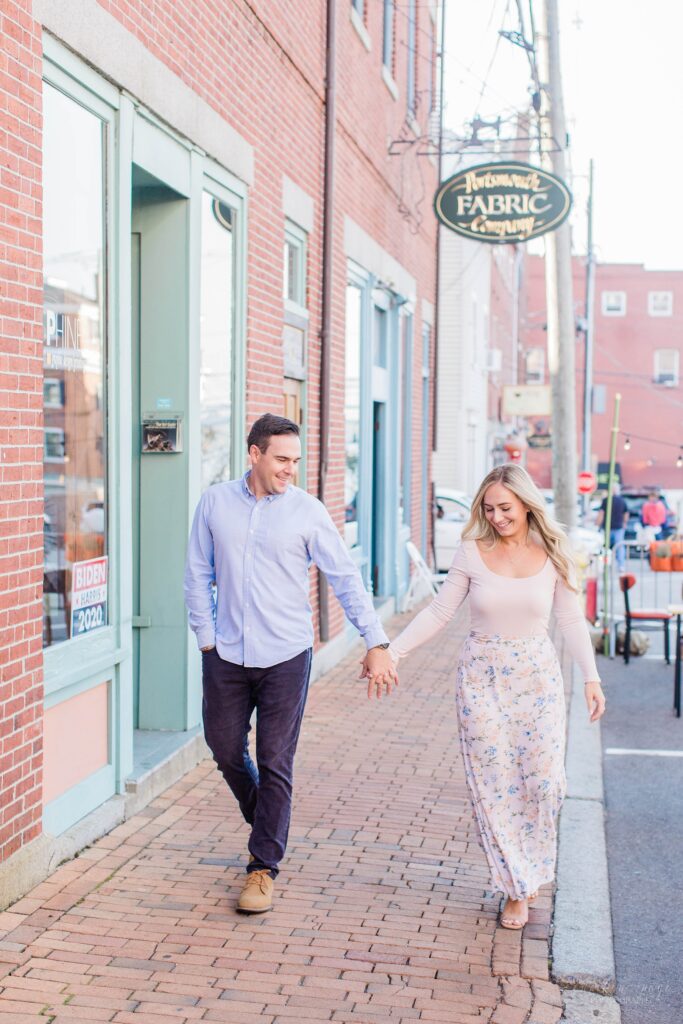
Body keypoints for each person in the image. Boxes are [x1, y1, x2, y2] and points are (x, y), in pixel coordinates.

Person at [362, 464, 605, 930]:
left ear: (527, 504)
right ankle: (516, 885)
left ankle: (532, 868)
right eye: (489, 508)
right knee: (493, 785)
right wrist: (392, 653)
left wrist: (591, 678)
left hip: (537, 679)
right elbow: (439, 611)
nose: (496, 517)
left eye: (505, 508)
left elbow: (571, 620)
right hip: (482, 679)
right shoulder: (472, 552)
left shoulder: (553, 553)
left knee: (544, 783)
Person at [184, 413, 397, 914]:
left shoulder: (307, 511)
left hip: (286, 655)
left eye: (295, 461)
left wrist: (376, 641)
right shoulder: (215, 503)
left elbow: (344, 577)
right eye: (281, 459)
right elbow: (197, 573)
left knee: (276, 760)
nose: (290, 470)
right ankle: (269, 823)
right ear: (254, 453)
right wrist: (206, 639)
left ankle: (263, 867)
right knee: (224, 748)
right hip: (227, 653)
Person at [596, 482, 629, 571]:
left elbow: (601, 514)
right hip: (619, 527)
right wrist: (624, 523)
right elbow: (626, 514)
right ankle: (621, 565)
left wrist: (597, 525)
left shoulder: (606, 500)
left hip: (607, 528)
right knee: (619, 547)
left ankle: (606, 565)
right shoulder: (622, 501)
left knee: (606, 547)